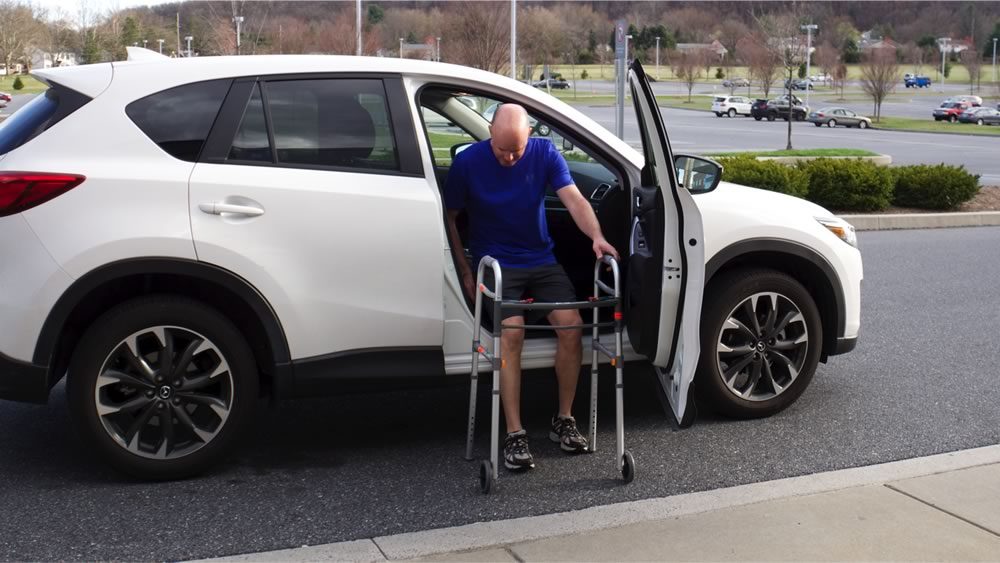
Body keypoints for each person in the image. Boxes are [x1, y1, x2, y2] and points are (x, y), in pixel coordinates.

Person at [444, 103, 619, 471]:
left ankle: (564, 419)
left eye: (516, 150)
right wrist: (464, 268)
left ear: (529, 139)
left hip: (540, 260)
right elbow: (451, 216)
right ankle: (515, 432)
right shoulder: (468, 163)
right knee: (513, 332)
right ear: (490, 132)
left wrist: (597, 237)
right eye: (502, 149)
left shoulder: (544, 153)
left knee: (572, 325)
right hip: (496, 264)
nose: (509, 158)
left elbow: (573, 198)